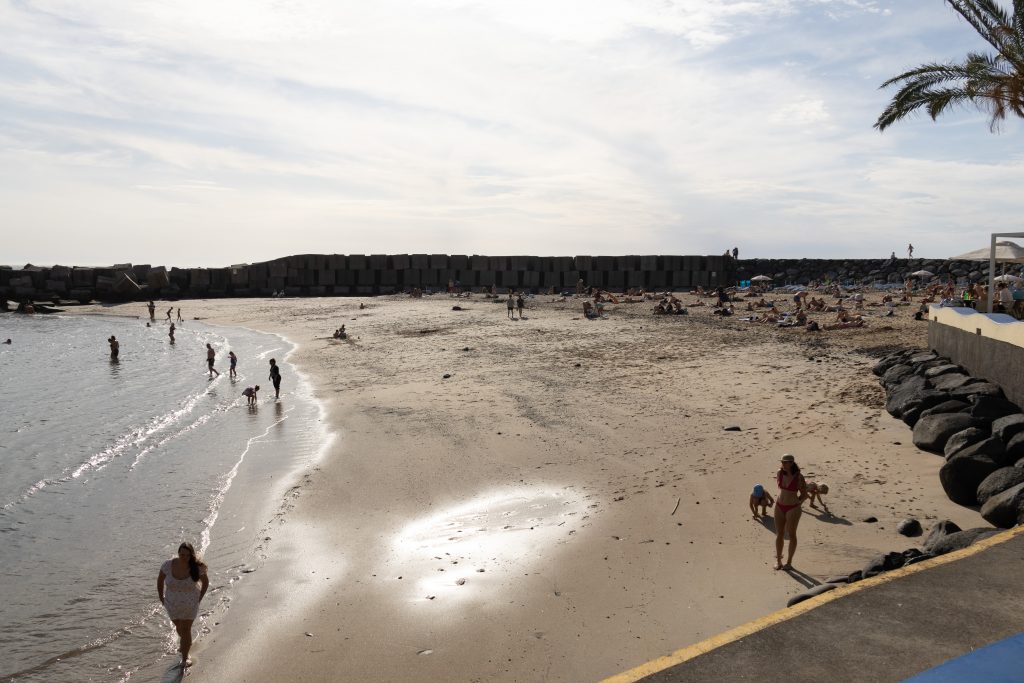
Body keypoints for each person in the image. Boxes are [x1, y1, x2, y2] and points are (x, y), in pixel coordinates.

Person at [157, 542, 209, 669]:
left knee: (185, 630)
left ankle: (185, 657)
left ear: (191, 555)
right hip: (172, 603)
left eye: (187, 555)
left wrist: (199, 598)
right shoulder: (168, 565)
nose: (184, 557)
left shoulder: (197, 567)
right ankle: (185, 643)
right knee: (179, 628)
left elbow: (205, 582)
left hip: (190, 603)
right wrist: (161, 597)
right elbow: (160, 581)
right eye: (181, 554)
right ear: (178, 553)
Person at [774, 454, 807, 570]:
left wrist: (796, 505)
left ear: (791, 463)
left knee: (792, 535)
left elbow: (804, 495)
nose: (783, 464)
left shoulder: (799, 477)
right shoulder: (779, 473)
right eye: (782, 462)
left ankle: (789, 562)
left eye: (785, 462)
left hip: (793, 508)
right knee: (779, 534)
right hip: (779, 505)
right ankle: (778, 561)